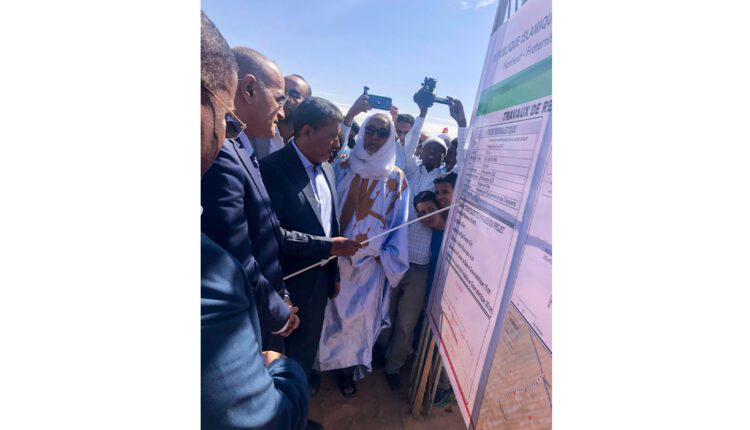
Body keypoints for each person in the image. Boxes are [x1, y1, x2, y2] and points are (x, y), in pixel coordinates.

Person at [200, 11, 308, 430]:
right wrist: (279, 316)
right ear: (247, 88)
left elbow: (268, 231)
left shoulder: (243, 148)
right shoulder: (224, 155)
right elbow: (235, 255)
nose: (283, 110)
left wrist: (282, 294)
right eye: (279, 98)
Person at [260, 97, 361, 395]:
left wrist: (334, 274)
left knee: (303, 356)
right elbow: (273, 234)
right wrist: (328, 247)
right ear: (306, 131)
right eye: (331, 136)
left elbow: (330, 224)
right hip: (283, 287)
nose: (337, 143)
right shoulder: (272, 169)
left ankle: (296, 410)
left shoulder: (328, 169)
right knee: (275, 362)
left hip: (317, 286)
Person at [316, 106, 411, 399]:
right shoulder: (342, 165)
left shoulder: (396, 179)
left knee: (356, 322)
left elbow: (400, 226)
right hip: (332, 259)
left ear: (390, 137)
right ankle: (316, 368)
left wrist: (384, 254)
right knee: (323, 316)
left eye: (382, 132)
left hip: (368, 267)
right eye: (370, 130)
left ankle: (345, 369)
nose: (374, 137)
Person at [379, 92, 468, 390]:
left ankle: (394, 366)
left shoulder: (444, 181)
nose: (431, 153)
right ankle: (379, 353)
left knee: (407, 321)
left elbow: (464, 160)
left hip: (419, 265)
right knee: (385, 311)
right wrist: (422, 113)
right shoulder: (410, 171)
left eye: (437, 151)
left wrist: (461, 124)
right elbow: (406, 145)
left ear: (442, 157)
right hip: (394, 257)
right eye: (427, 148)